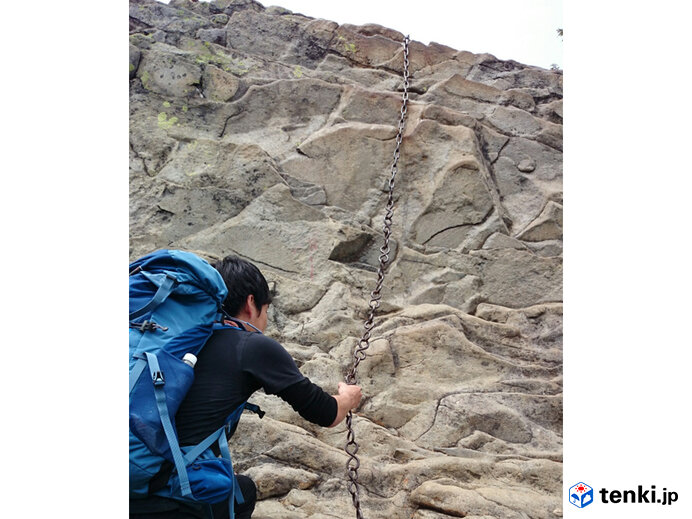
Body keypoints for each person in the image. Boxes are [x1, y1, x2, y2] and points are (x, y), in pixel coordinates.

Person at [130, 255, 363, 518]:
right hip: (165, 490)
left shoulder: (176, 340)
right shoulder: (251, 345)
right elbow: (326, 413)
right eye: (266, 310)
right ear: (251, 303)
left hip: (132, 479)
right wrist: (347, 397)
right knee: (241, 492)